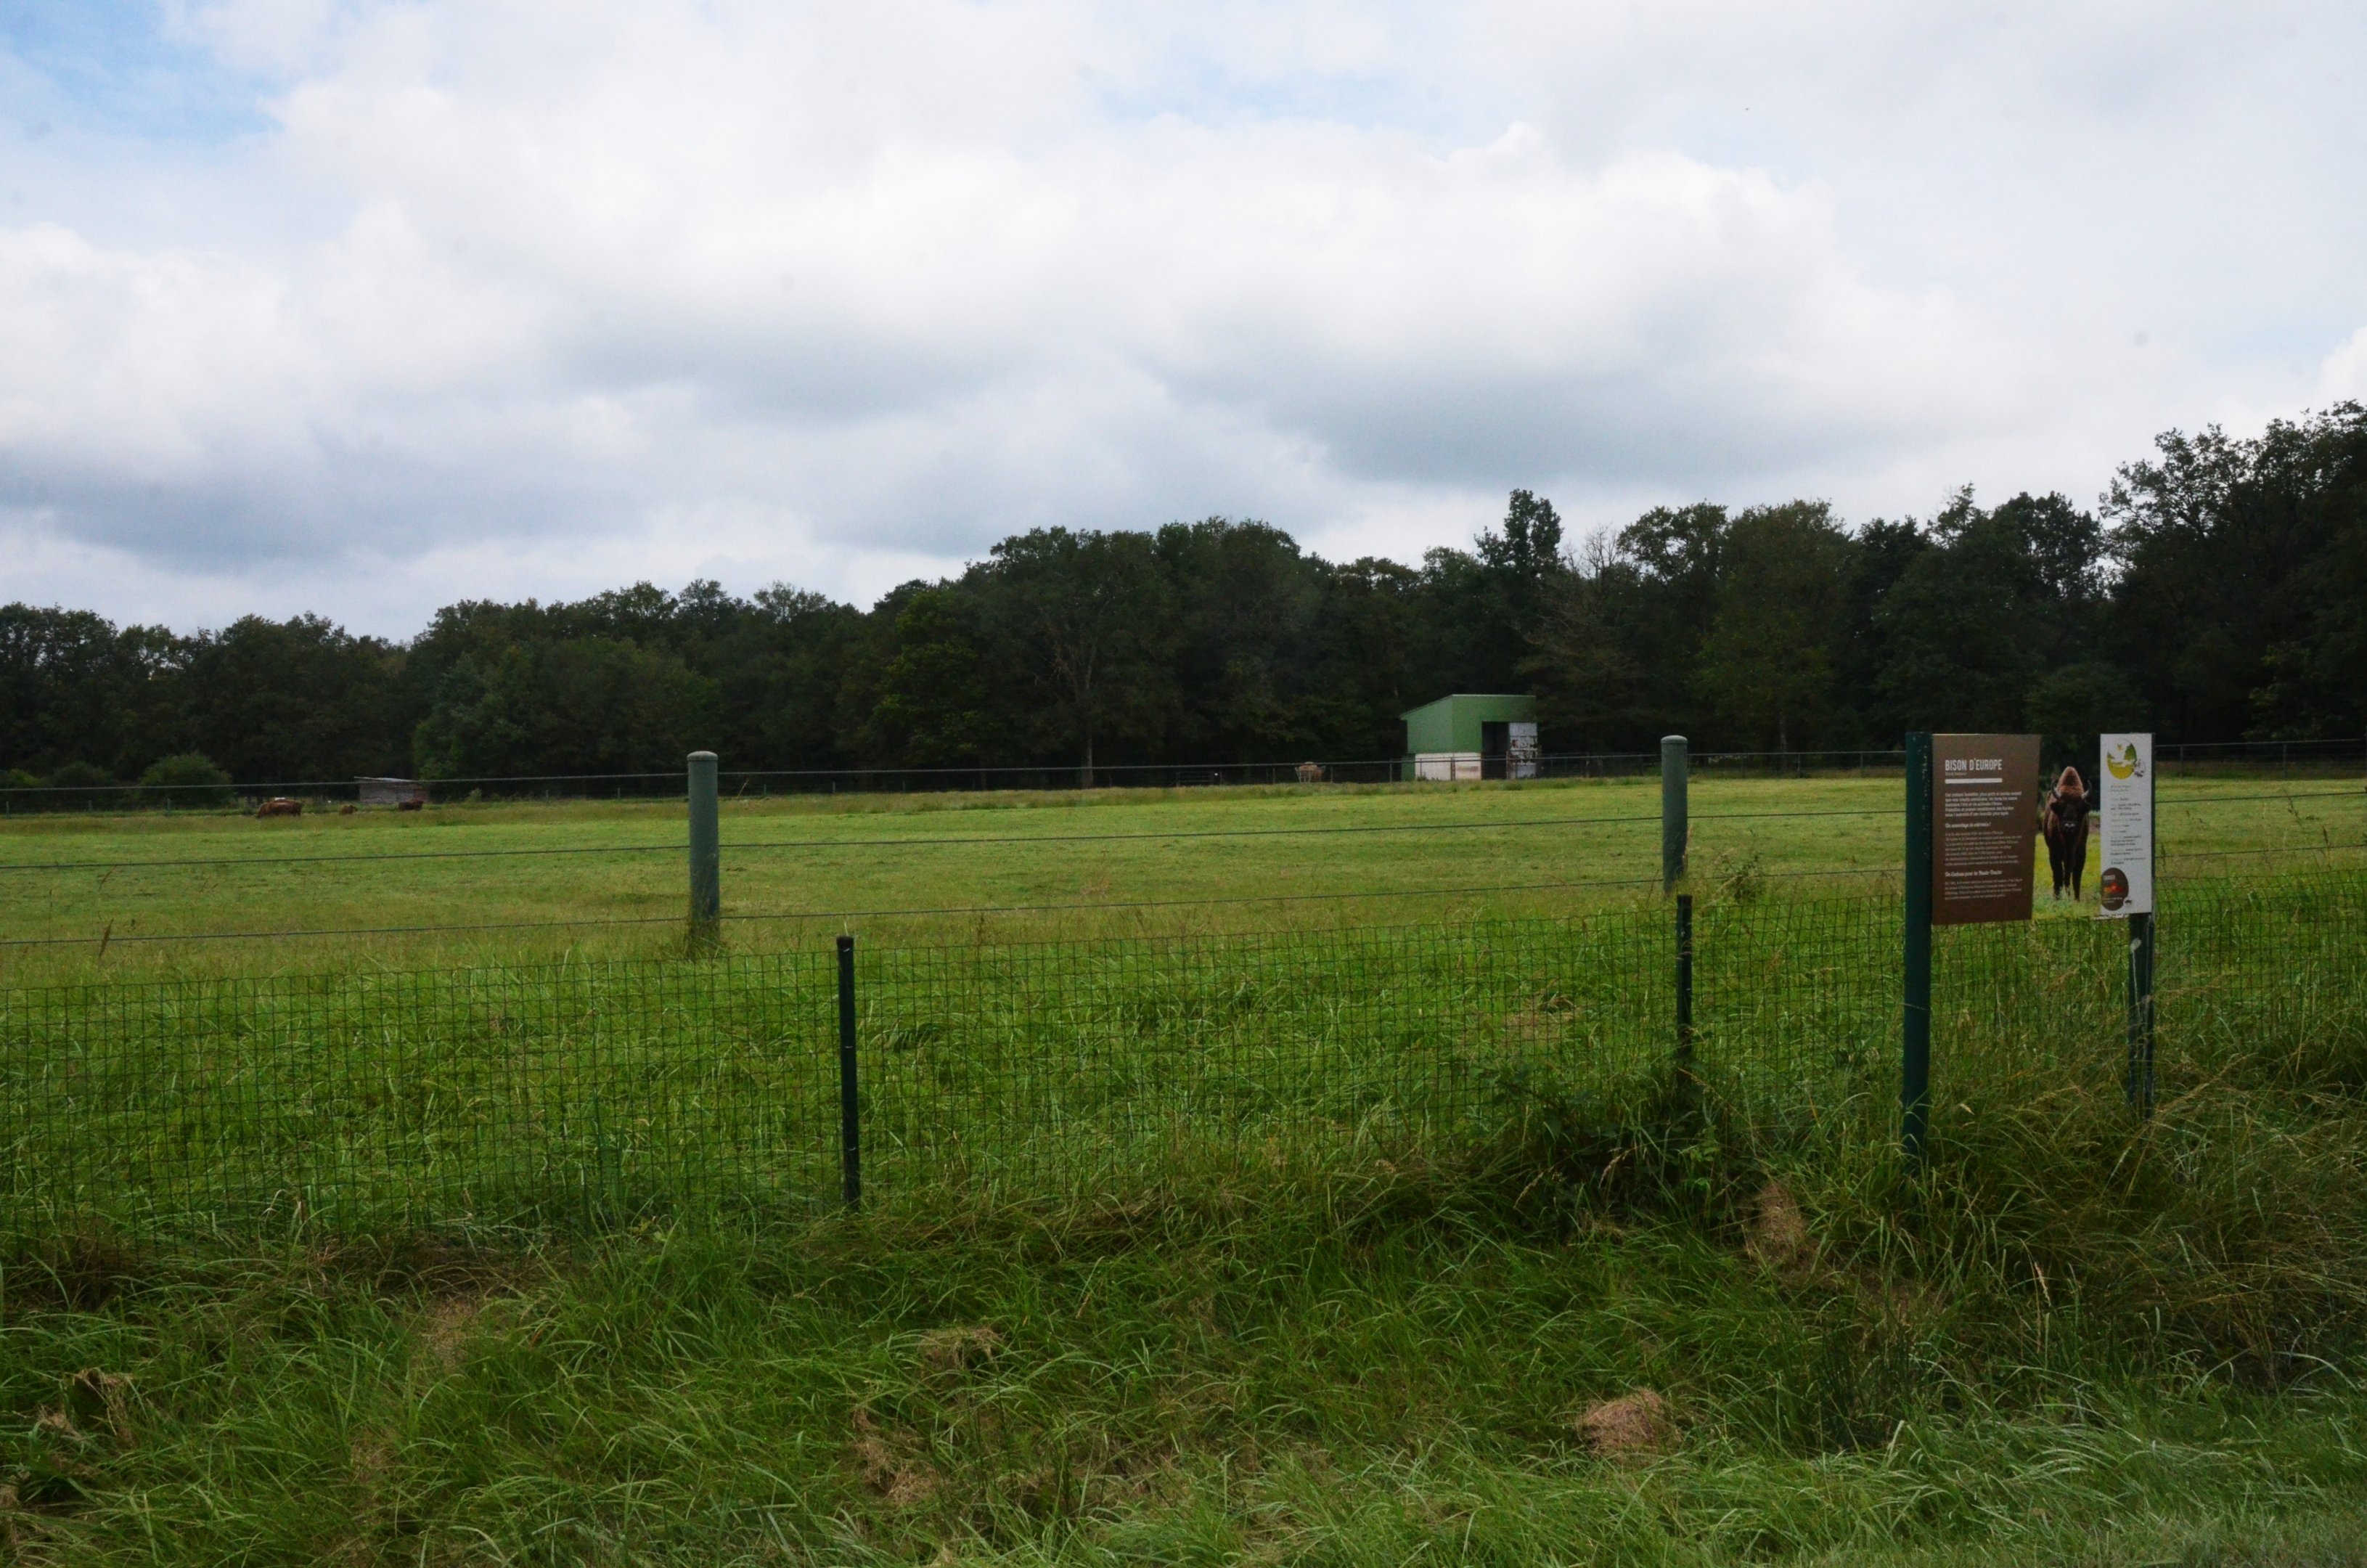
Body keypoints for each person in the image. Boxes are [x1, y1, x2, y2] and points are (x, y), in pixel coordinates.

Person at [2042, 765, 2091, 899]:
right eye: (2064, 812)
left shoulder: (2083, 812)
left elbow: (2080, 855)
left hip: (2076, 837)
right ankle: (2057, 893)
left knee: (2079, 856)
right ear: (2057, 810)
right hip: (2057, 841)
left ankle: (2076, 895)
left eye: (2075, 814)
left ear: (2081, 812)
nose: (2069, 824)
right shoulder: (2054, 807)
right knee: (2056, 859)